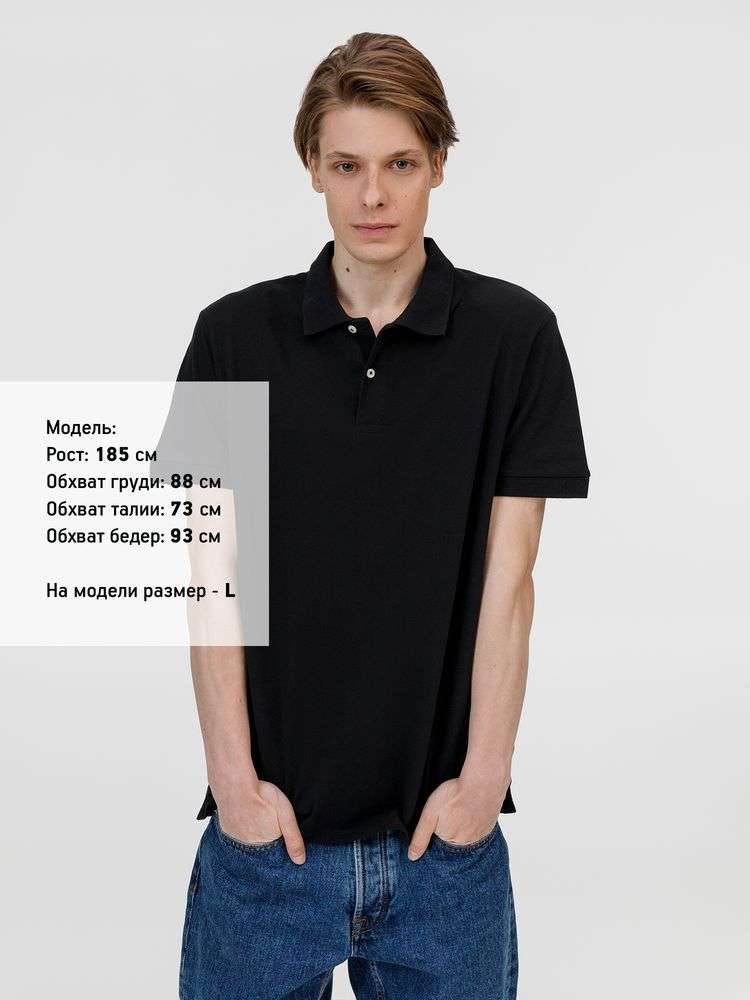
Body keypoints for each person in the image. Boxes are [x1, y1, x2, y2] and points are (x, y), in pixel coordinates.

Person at [172, 31, 590, 1000]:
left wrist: (484, 782)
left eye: (400, 164)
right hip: (266, 841)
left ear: (439, 163)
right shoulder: (230, 335)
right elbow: (207, 576)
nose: (373, 196)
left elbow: (511, 582)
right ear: (312, 166)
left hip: (444, 848)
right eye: (347, 166)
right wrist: (232, 782)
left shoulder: (517, 337)